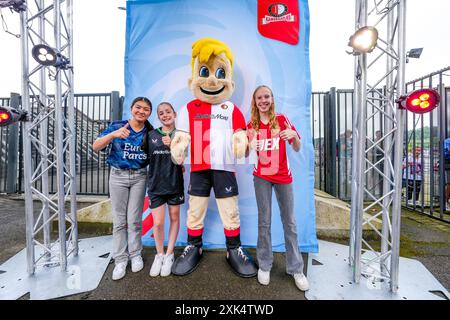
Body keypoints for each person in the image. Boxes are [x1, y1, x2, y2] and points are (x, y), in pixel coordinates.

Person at [247, 85, 309, 292]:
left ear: (272, 99)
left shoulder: (281, 120)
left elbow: (297, 147)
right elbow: (244, 154)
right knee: (264, 222)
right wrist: (249, 147)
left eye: (266, 97)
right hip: (261, 178)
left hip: (283, 177)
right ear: (255, 102)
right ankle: (264, 265)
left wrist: (294, 135)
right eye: (259, 98)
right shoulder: (251, 126)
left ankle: (296, 269)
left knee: (289, 222)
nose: (263, 100)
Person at [92, 97, 153, 281]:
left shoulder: (149, 132)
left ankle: (135, 255)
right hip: (117, 175)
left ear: (149, 113)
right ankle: (120, 259)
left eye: (146, 109)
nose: (141, 111)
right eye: (138, 107)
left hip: (139, 176)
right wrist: (113, 135)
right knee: (119, 221)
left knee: (134, 220)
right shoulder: (118, 125)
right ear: (132, 108)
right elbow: (96, 147)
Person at [147, 102, 185, 277]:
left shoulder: (182, 135)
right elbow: (145, 159)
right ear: (158, 116)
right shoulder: (151, 135)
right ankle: (159, 254)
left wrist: (172, 146)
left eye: (168, 112)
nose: (165, 115)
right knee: (158, 223)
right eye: (161, 113)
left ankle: (169, 254)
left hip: (174, 184)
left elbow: (182, 162)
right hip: (155, 185)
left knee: (175, 218)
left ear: (174, 114)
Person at [444, 137, 450, 210]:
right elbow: (448, 150)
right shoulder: (447, 141)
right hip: (448, 162)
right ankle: (446, 202)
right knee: (449, 183)